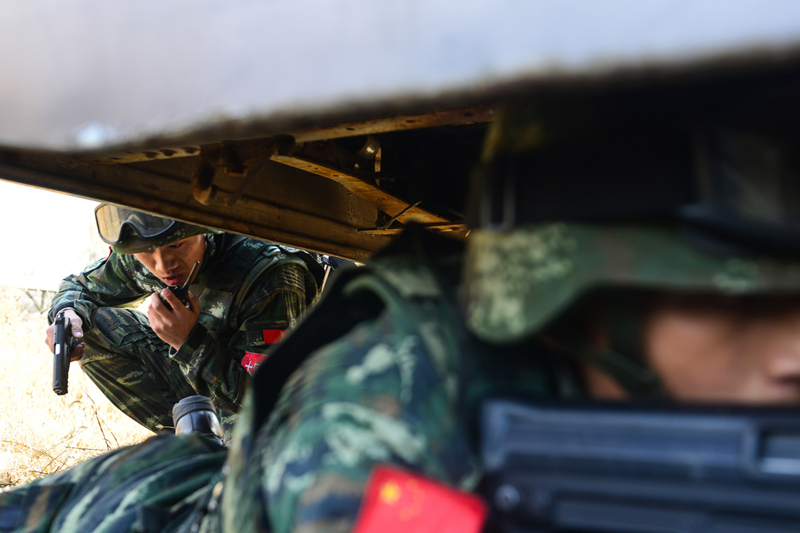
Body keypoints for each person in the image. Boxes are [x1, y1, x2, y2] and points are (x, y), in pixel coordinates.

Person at [5, 72, 800, 533]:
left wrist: (194, 350)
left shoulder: (264, 278)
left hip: (226, 420)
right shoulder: (388, 418)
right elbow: (90, 282)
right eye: (746, 300)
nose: (158, 263)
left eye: (169, 248)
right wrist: (71, 314)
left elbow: (249, 404)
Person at [43, 204, 321, 438]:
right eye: (147, 253)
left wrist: (187, 342)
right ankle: (193, 442)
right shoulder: (147, 248)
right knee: (91, 326)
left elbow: (269, 400)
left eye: (177, 245)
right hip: (206, 376)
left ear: (203, 229)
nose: (163, 265)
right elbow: (79, 287)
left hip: (274, 409)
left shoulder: (270, 276)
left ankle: (220, 457)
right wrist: (67, 315)